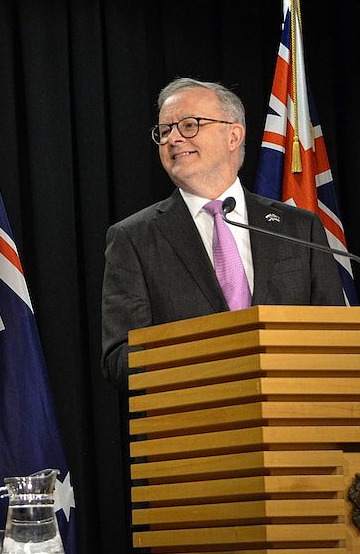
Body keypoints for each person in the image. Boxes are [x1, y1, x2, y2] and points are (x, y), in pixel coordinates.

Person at [101, 77, 344, 389]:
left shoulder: (298, 227)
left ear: (233, 135)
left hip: (295, 422)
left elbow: (334, 338)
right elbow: (120, 359)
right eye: (164, 131)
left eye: (189, 125)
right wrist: (210, 355)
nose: (173, 139)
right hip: (194, 426)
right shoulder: (133, 238)